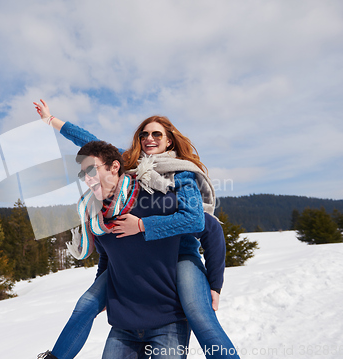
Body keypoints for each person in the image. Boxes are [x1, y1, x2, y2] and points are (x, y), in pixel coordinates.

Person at [35, 100, 240, 359]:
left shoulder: (181, 173)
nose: (149, 138)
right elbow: (92, 143)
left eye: (157, 134)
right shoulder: (133, 164)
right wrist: (52, 121)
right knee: (86, 304)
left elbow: (197, 221)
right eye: (144, 134)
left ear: (169, 141)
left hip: (180, 253)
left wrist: (142, 225)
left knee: (200, 316)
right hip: (142, 255)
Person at [74, 141, 192, 358]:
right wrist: (105, 294)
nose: (87, 179)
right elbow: (106, 258)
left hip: (168, 320)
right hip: (124, 325)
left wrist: (215, 284)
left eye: (91, 170)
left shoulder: (154, 197)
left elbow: (206, 225)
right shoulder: (98, 218)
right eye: (83, 175)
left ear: (115, 167)